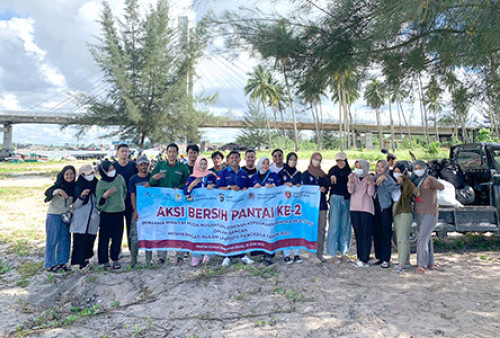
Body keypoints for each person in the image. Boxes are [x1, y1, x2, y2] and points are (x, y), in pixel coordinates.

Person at [150, 143, 190, 264]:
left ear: (177, 153)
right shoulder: (160, 165)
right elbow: (151, 182)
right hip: (162, 204)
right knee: (162, 230)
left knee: (179, 229)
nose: (172, 154)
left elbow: (187, 183)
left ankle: (180, 256)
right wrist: (155, 178)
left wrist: (179, 187)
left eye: (174, 152)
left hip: (177, 204)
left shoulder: (182, 167)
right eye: (169, 151)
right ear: (166, 153)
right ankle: (162, 256)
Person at [217, 150, 254, 267]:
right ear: (228, 160)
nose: (234, 159)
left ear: (239, 159)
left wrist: (245, 189)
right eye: (231, 158)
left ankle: (242, 255)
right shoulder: (223, 173)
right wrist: (229, 188)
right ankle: (226, 256)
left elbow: (249, 188)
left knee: (240, 230)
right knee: (227, 231)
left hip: (240, 209)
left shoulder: (243, 173)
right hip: (227, 208)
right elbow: (218, 189)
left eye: (236, 158)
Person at [411, 160, 444, 274]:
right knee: (427, 238)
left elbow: (442, 187)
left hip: (430, 213)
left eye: (420, 168)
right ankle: (430, 262)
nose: (417, 170)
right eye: (415, 168)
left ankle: (422, 264)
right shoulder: (414, 180)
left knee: (422, 238)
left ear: (425, 168)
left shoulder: (430, 180)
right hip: (419, 213)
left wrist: (431, 179)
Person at [184, 156, 218, 267]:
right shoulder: (191, 177)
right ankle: (196, 256)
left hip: (210, 209)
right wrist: (192, 185)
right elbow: (186, 192)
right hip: (197, 210)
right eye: (201, 164)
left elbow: (219, 185)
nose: (203, 166)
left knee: (208, 231)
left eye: (205, 164)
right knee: (196, 232)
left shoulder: (211, 175)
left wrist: (213, 185)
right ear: (197, 164)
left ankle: (208, 254)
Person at [43, 165, 76, 272]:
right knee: (52, 239)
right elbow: (47, 193)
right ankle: (51, 264)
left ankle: (63, 262)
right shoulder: (58, 185)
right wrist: (58, 191)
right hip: (54, 215)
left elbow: (75, 204)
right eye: (67, 174)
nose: (69, 176)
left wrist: (70, 212)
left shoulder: (75, 187)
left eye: (71, 174)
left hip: (66, 216)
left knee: (65, 239)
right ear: (63, 175)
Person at [96, 160, 127, 270]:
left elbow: (124, 192)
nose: (112, 171)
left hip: (119, 212)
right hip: (106, 214)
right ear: (103, 171)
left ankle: (115, 259)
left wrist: (119, 203)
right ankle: (104, 260)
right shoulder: (101, 183)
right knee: (104, 238)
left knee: (117, 237)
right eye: (109, 170)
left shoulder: (119, 178)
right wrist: (105, 196)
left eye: (113, 169)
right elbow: (99, 204)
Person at [250, 156, 281, 265]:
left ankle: (269, 253)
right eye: (263, 163)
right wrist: (254, 188)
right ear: (259, 164)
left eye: (267, 163)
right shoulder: (254, 177)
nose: (265, 166)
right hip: (257, 209)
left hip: (269, 208)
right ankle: (258, 252)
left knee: (269, 229)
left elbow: (280, 188)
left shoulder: (274, 175)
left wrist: (273, 186)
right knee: (258, 229)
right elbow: (248, 192)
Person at [70, 165, 99, 270]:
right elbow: (75, 205)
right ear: (82, 175)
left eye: (92, 173)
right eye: (88, 174)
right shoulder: (78, 187)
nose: (91, 176)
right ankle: (79, 262)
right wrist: (82, 196)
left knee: (90, 240)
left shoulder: (96, 184)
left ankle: (86, 261)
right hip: (81, 219)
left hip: (93, 219)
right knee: (79, 241)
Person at [302, 152, 329, 262]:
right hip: (310, 207)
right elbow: (303, 190)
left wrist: (324, 189)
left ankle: (320, 253)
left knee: (321, 230)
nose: (317, 161)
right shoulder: (305, 174)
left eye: (319, 159)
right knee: (311, 229)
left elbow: (327, 188)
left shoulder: (323, 175)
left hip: (322, 205)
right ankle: (311, 254)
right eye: (315, 159)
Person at [348, 159, 375, 268]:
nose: (358, 169)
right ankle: (360, 257)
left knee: (366, 234)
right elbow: (350, 191)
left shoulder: (369, 177)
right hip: (354, 208)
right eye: (356, 167)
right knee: (358, 234)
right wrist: (350, 181)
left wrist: (370, 184)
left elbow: (370, 193)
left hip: (366, 209)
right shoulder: (353, 176)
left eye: (360, 167)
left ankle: (365, 259)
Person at [326, 151, 352, 264]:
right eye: (338, 161)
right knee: (334, 225)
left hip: (346, 200)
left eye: (342, 160)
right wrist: (331, 177)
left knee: (345, 226)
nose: (340, 163)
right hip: (335, 199)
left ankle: (344, 252)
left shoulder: (349, 172)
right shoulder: (333, 170)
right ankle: (332, 253)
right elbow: (328, 183)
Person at [373, 159, 399, 268]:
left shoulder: (388, 178)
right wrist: (376, 182)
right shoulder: (373, 177)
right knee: (376, 233)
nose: (379, 169)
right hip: (375, 208)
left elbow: (394, 188)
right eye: (377, 166)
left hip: (385, 208)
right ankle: (379, 257)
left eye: (381, 167)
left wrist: (384, 180)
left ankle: (386, 259)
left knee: (385, 234)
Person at [113, 144, 138, 252]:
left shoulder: (133, 165)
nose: (124, 153)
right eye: (122, 151)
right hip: (117, 201)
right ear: (117, 153)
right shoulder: (113, 166)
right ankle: (116, 251)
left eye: (127, 151)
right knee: (117, 228)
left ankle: (132, 250)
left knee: (131, 227)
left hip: (130, 200)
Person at [279, 152, 303, 264]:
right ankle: (287, 255)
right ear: (287, 160)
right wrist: (284, 185)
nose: (293, 162)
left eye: (295, 160)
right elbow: (276, 188)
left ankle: (297, 254)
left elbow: (304, 189)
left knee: (296, 228)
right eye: (291, 159)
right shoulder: (281, 173)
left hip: (296, 207)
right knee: (286, 229)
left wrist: (300, 187)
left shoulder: (299, 174)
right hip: (284, 206)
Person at [128, 155, 152, 267]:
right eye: (141, 164)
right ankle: (134, 258)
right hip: (138, 211)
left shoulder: (151, 177)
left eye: (145, 164)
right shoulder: (133, 179)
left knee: (149, 234)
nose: (143, 166)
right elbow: (132, 195)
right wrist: (135, 211)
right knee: (134, 235)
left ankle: (148, 259)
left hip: (150, 211)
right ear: (137, 166)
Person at [392, 162, 416, 272]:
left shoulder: (407, 182)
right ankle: (405, 260)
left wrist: (404, 180)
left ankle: (401, 264)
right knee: (399, 238)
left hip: (404, 212)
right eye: (394, 171)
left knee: (402, 239)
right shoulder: (393, 182)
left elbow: (411, 192)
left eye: (399, 172)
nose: (396, 174)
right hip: (396, 213)